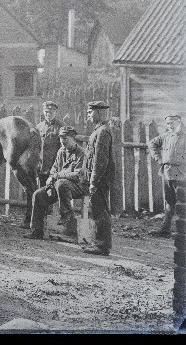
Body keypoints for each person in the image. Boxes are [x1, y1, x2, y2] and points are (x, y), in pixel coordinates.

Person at [24, 126, 89, 240]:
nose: (62, 141)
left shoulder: (82, 153)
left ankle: (67, 216)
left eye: (65, 138)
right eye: (61, 138)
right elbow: (54, 170)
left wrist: (58, 175)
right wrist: (50, 185)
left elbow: (78, 175)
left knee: (61, 183)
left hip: (79, 186)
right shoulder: (61, 151)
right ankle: (37, 230)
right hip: (61, 186)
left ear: (73, 139)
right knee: (38, 194)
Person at [147, 114, 186, 237]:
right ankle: (165, 229)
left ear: (179, 122)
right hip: (167, 172)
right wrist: (158, 158)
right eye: (167, 123)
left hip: (182, 174)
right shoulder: (166, 136)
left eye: (172, 123)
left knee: (184, 202)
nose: (169, 126)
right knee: (170, 202)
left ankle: (184, 232)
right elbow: (152, 144)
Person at [82, 101, 114, 256]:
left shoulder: (102, 132)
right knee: (96, 210)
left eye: (90, 112)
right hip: (96, 178)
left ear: (99, 113)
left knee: (100, 211)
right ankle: (98, 242)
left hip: (99, 179)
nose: (88, 115)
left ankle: (102, 246)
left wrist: (94, 181)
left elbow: (100, 161)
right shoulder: (99, 130)